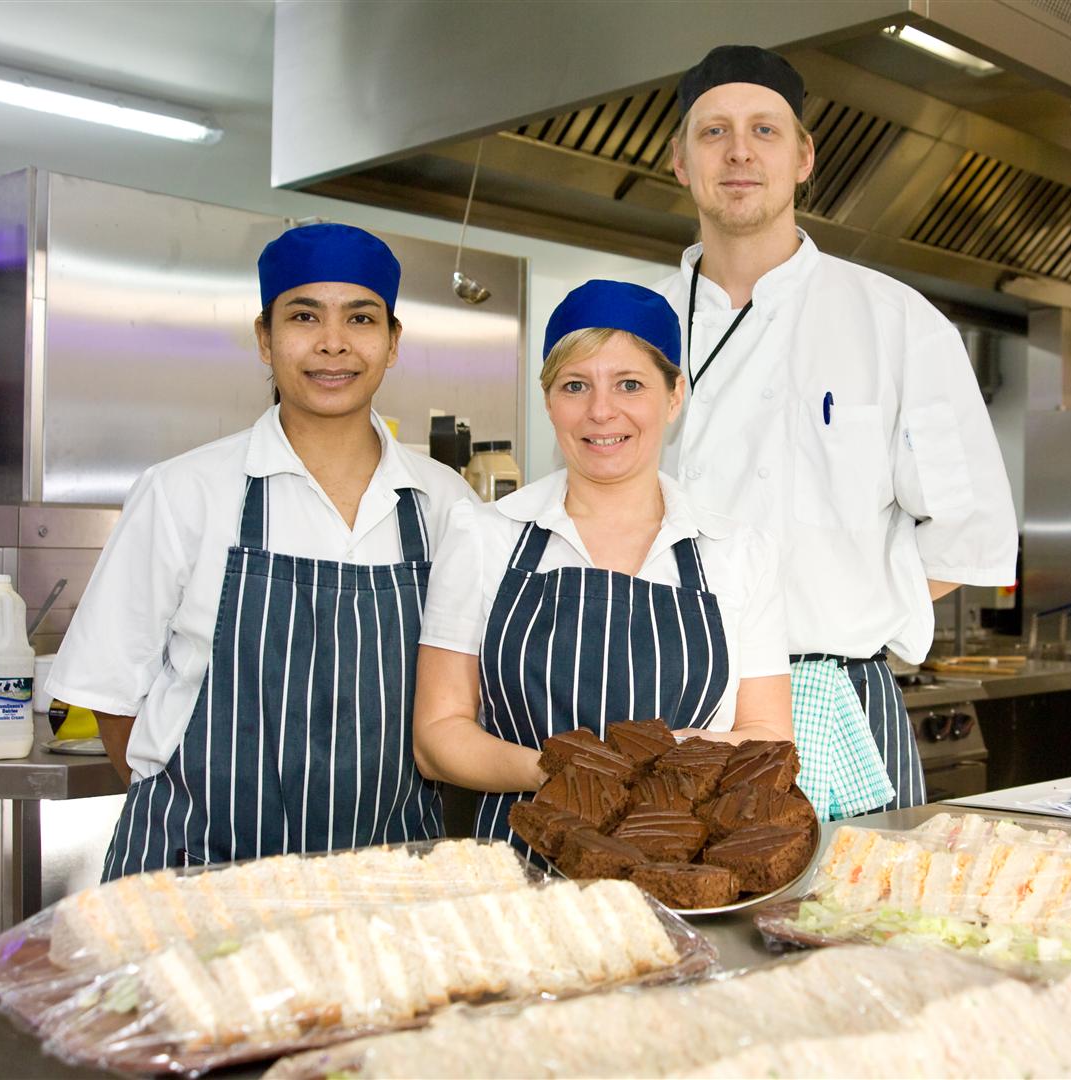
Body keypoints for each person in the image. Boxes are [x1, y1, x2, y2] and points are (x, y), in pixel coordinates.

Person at [47, 223, 476, 879]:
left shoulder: (445, 505)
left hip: (387, 882)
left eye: (360, 318)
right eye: (304, 315)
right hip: (197, 874)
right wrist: (196, 818)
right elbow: (111, 695)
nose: (332, 343)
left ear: (392, 344)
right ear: (264, 338)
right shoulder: (183, 492)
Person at [657, 45, 1018, 816]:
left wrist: (849, 611)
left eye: (765, 130)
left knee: (870, 929)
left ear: (804, 158)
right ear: (680, 162)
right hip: (668, 703)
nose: (740, 151)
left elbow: (972, 527)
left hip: (835, 699)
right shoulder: (632, 324)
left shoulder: (894, 323)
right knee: (673, 929)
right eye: (713, 132)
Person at [412, 280, 792, 859]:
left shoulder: (736, 551)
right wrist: (559, 773)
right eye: (575, 385)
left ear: (674, 398)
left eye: (630, 384)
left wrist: (662, 760)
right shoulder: (484, 535)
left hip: (686, 868)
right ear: (548, 401)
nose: (600, 411)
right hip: (518, 865)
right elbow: (438, 738)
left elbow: (768, 735)